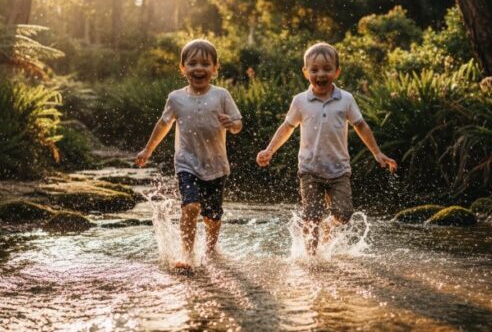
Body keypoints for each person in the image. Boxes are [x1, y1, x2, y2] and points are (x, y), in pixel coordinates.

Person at [256, 42, 397, 255]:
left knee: (344, 213)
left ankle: (327, 227)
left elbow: (361, 126)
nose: (320, 74)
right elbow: (287, 127)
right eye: (314, 70)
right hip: (309, 170)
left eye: (327, 69)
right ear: (305, 73)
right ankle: (311, 258)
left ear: (337, 72)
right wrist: (270, 150)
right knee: (311, 216)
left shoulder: (346, 100)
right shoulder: (300, 101)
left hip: (339, 170)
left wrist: (377, 152)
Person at [135, 39, 243, 270]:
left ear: (215, 68)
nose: (198, 68)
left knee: (212, 217)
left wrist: (231, 123)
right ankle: (186, 255)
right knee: (191, 206)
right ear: (182, 67)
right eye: (192, 63)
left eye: (205, 63)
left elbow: (238, 124)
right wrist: (147, 150)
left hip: (215, 165)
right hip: (186, 163)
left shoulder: (221, 95)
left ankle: (211, 250)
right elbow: (163, 125)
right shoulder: (176, 98)